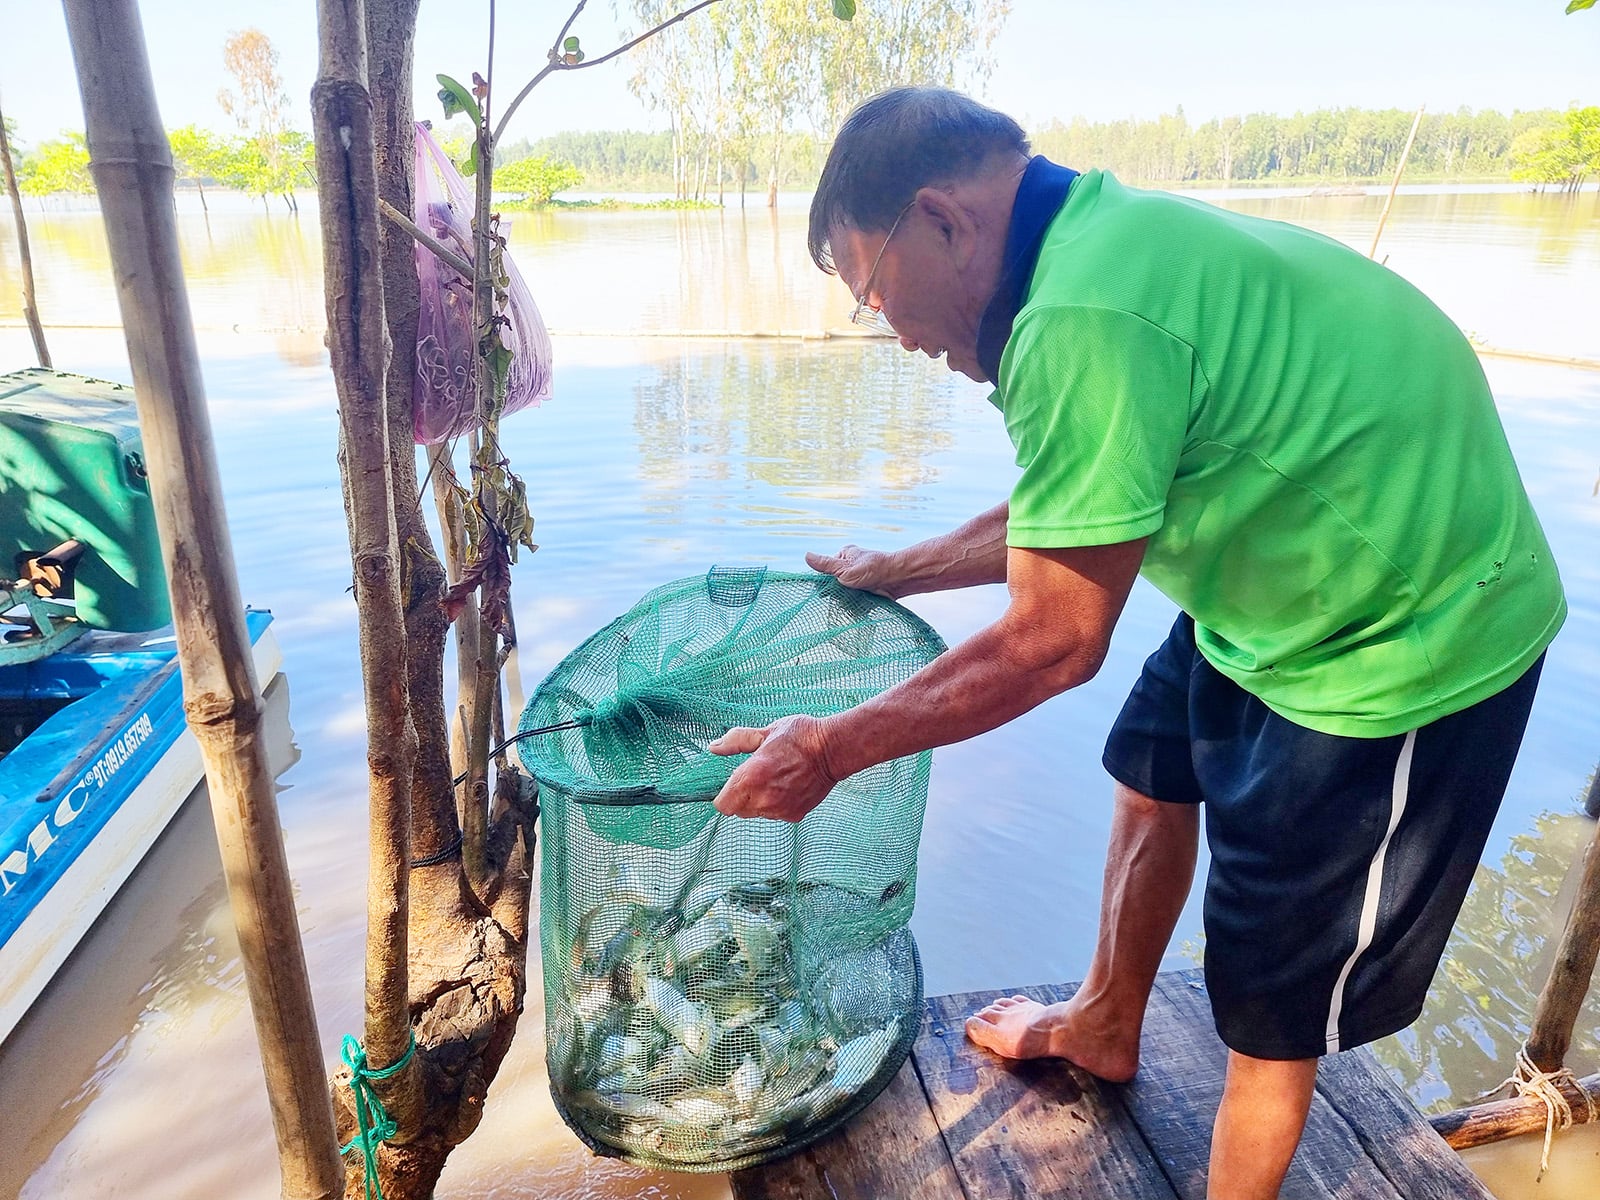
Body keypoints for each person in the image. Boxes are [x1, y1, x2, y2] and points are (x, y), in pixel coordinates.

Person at [708, 87, 1565, 1198]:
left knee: (1270, 999)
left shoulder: (1079, 317)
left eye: (874, 292)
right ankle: (1106, 1021)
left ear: (941, 220)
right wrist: (899, 567)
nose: (896, 335)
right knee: (1150, 769)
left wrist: (829, 750)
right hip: (1285, 570)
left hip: (1405, 628)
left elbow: (1052, 641)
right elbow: (1080, 507)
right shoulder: (1089, 245)